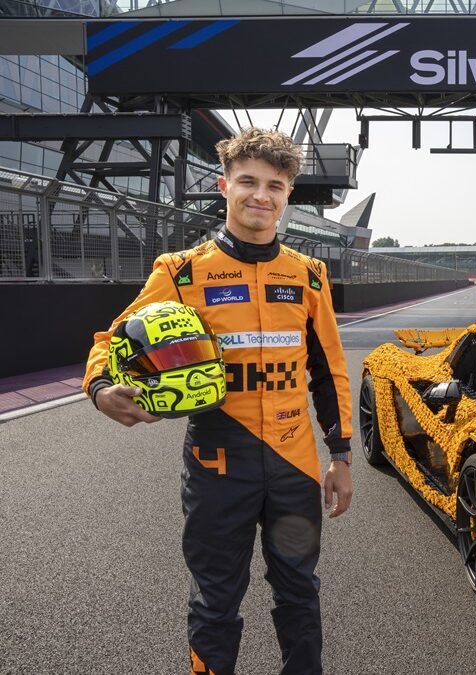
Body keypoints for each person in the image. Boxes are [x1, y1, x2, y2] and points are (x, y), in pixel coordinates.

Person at [83, 127, 353, 675]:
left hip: (294, 462)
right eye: (248, 182)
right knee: (215, 600)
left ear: (288, 194)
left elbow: (330, 373)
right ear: (223, 185)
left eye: (274, 186)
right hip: (216, 460)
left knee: (300, 591)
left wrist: (342, 457)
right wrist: (98, 389)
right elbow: (114, 339)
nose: (261, 195)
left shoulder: (310, 276)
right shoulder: (181, 271)